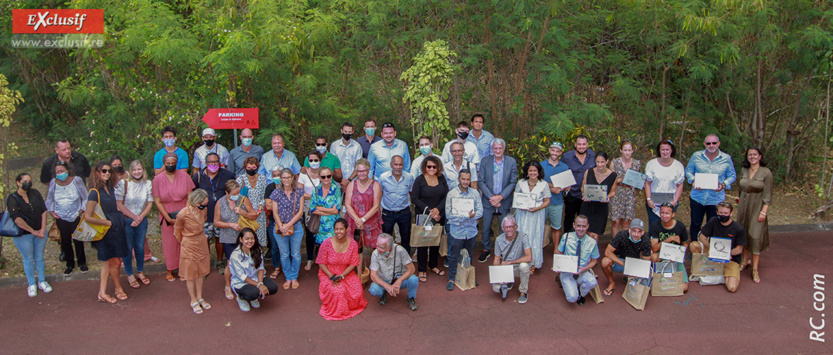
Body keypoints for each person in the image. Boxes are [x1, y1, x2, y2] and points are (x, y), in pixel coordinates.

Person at [86, 161, 129, 303]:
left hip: (116, 229)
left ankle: (105, 292)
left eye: (109, 171)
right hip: (106, 230)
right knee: (112, 261)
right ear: (97, 172)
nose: (107, 173)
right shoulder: (94, 192)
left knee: (113, 261)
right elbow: (88, 216)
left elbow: (125, 177)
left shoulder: (109, 188)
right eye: (104, 171)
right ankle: (113, 289)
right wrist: (107, 223)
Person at [152, 152, 196, 281]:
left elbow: (190, 196)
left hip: (184, 211)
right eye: (168, 163)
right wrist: (167, 218)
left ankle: (183, 269)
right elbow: (157, 201)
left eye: (173, 163)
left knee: (184, 242)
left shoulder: (185, 176)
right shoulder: (157, 179)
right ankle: (169, 269)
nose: (170, 165)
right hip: (166, 213)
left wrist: (183, 214)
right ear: (164, 163)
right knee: (169, 243)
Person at [685, 134, 737, 242]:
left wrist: (723, 185)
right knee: (695, 224)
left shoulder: (726, 158)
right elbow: (688, 171)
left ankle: (712, 250)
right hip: (697, 197)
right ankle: (695, 247)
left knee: (714, 225)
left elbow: (732, 175)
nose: (711, 145)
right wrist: (693, 181)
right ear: (704, 144)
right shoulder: (696, 156)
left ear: (718, 144)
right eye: (708, 143)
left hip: (716, 199)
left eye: (714, 143)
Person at [6, 173, 51, 297]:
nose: (28, 183)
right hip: (23, 235)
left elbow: (43, 210)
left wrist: (42, 228)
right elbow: (17, 219)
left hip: (40, 232)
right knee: (28, 259)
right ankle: (31, 283)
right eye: (25, 181)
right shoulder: (12, 198)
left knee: (39, 257)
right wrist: (33, 231)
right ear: (18, 183)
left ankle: (42, 281)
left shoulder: (35, 193)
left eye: (30, 180)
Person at [192, 153, 235, 274]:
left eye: (216, 162)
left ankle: (220, 261)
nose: (213, 165)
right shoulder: (198, 176)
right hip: (204, 215)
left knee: (220, 239)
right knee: (204, 240)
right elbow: (193, 194)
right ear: (205, 163)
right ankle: (203, 264)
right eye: (211, 162)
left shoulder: (228, 175)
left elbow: (233, 191)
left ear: (220, 162)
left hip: (222, 216)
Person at [316, 218, 367, 320]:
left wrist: (342, 275)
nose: (338, 232)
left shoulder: (353, 244)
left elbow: (353, 264)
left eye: (341, 229)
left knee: (357, 291)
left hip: (346, 272)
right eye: (336, 229)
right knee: (338, 292)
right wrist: (332, 276)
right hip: (328, 273)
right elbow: (321, 263)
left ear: (347, 229)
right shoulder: (326, 244)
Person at [689, 201, 746, 293]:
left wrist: (728, 254)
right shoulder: (713, 221)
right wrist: (711, 248)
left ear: (731, 213)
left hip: (730, 258)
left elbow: (739, 249)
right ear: (717, 212)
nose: (723, 215)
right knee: (693, 245)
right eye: (721, 213)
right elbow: (702, 237)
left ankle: (721, 274)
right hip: (713, 254)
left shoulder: (738, 228)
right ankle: (712, 272)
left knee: (732, 288)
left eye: (726, 213)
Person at [215, 180, 258, 300]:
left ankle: (247, 281)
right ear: (227, 193)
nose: (237, 195)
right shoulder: (220, 202)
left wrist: (244, 213)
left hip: (244, 237)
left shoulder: (244, 199)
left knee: (247, 259)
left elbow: (254, 215)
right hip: (228, 236)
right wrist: (230, 225)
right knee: (230, 262)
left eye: (238, 192)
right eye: (234, 193)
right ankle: (228, 286)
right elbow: (216, 221)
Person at [477, 138, 518, 263]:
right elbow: (481, 181)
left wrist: (500, 197)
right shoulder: (485, 161)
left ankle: (502, 250)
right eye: (495, 148)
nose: (498, 150)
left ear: (504, 149)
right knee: (486, 227)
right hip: (488, 200)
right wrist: (491, 197)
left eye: (500, 148)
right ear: (492, 149)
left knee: (504, 227)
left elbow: (513, 182)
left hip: (504, 200)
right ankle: (486, 249)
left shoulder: (511, 162)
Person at [45, 161, 88, 275]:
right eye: (57, 172)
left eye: (62, 171)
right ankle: (70, 264)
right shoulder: (53, 183)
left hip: (76, 215)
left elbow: (85, 197)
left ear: (67, 171)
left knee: (78, 239)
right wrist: (52, 212)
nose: (60, 173)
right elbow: (49, 199)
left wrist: (81, 210)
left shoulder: (76, 180)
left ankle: (82, 263)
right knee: (65, 241)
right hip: (61, 217)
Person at [115, 160, 154, 287]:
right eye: (134, 170)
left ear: (143, 170)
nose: (137, 172)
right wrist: (133, 217)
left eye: (139, 169)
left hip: (141, 220)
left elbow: (149, 203)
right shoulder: (124, 184)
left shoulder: (148, 183)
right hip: (126, 220)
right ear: (130, 171)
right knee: (127, 247)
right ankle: (129, 274)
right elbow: (118, 204)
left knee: (140, 247)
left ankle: (140, 271)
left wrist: (140, 218)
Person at [174, 189, 213, 314]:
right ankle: (193, 299)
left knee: (201, 271)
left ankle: (200, 297)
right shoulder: (183, 214)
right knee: (190, 273)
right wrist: (185, 243)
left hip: (201, 241)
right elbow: (177, 232)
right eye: (203, 203)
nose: (205, 205)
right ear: (196, 202)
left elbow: (204, 221)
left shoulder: (203, 210)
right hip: (188, 243)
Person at [737, 147, 771, 283]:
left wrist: (764, 211)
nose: (752, 157)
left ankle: (755, 269)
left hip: (757, 206)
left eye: (755, 154)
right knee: (743, 233)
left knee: (755, 235)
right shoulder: (744, 170)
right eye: (750, 155)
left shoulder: (766, 173)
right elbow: (740, 189)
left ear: (760, 156)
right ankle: (744, 261)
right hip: (743, 206)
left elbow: (768, 194)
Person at [411, 155, 449, 281]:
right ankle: (422, 269)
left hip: (439, 215)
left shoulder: (441, 178)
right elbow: (415, 198)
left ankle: (433, 265)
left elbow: (446, 195)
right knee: (423, 241)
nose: (432, 169)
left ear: (438, 167)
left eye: (434, 166)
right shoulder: (419, 180)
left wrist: (438, 210)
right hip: (424, 216)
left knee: (435, 240)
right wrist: (428, 210)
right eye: (429, 166)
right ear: (424, 167)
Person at [445, 169, 483, 291]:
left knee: (469, 255)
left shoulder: (475, 193)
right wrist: (466, 216)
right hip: (457, 231)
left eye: (468, 179)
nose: (466, 182)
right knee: (453, 255)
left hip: (471, 231)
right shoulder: (451, 194)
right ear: (458, 179)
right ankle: (451, 278)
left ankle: (468, 276)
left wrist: (470, 216)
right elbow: (449, 215)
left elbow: (480, 211)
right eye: (463, 179)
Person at [344, 158, 382, 276]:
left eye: (364, 171)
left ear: (368, 170)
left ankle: (376, 273)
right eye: (359, 171)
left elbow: (376, 206)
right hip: (353, 221)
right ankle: (359, 273)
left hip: (370, 221)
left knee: (376, 247)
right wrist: (357, 220)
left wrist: (363, 220)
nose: (362, 173)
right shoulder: (351, 185)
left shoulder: (375, 185)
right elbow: (347, 204)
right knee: (357, 247)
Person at [270, 168, 306, 289]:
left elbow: (300, 211)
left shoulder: (299, 192)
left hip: (295, 227)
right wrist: (281, 226)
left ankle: (294, 276)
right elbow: (274, 212)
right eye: (284, 177)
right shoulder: (276, 193)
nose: (286, 180)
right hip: (280, 228)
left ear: (293, 178)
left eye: (288, 177)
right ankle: (288, 277)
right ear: (281, 178)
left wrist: (288, 225)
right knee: (284, 254)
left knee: (295, 254)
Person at [514, 161, 551, 274]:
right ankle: (520, 261)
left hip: (536, 215)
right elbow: (516, 197)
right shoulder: (521, 183)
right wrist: (520, 205)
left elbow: (547, 201)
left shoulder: (544, 184)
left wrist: (538, 208)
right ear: (527, 171)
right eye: (530, 170)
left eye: (535, 170)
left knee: (535, 238)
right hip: (523, 215)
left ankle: (533, 263)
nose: (532, 173)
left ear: (539, 172)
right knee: (521, 236)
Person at [230, 228, 279, 312]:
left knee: (273, 288)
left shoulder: (257, 250)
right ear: (241, 239)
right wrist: (259, 285)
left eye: (252, 238)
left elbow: (260, 268)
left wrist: (260, 283)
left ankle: (255, 295)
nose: (250, 241)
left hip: (256, 278)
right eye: (247, 239)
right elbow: (242, 277)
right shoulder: (235, 255)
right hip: (241, 282)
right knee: (253, 293)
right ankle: (241, 298)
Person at [600, 219, 652, 296]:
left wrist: (640, 271)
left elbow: (646, 260)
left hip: (634, 263)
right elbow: (607, 252)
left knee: (648, 270)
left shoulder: (646, 241)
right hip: (619, 261)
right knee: (605, 262)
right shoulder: (621, 235)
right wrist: (624, 264)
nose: (636, 234)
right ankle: (612, 282)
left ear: (643, 232)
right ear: (629, 230)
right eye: (634, 231)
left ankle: (631, 278)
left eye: (639, 232)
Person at [369, 233, 419, 311]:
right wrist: (386, 286)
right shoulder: (375, 254)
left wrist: (399, 280)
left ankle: (411, 298)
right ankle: (383, 293)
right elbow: (373, 275)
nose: (378, 249)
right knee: (374, 289)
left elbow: (411, 269)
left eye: (382, 247)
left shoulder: (400, 250)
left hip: (399, 278)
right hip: (384, 279)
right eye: (377, 245)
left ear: (390, 247)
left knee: (414, 279)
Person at [557, 215, 599, 305]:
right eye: (578, 225)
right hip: (567, 271)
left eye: (584, 226)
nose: (581, 229)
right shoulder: (566, 237)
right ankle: (562, 279)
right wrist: (558, 265)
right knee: (572, 298)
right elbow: (559, 253)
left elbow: (594, 261)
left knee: (592, 282)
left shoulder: (592, 242)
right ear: (574, 225)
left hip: (582, 271)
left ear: (587, 226)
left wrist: (583, 269)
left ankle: (581, 293)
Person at [644, 139, 686, 231]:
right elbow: (647, 183)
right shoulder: (651, 164)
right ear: (659, 150)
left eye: (667, 149)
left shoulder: (678, 166)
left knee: (668, 226)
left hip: (671, 200)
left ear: (672, 150)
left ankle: (667, 245)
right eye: (663, 149)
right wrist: (648, 199)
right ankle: (654, 244)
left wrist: (675, 201)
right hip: (653, 202)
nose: (665, 152)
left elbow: (680, 185)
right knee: (654, 226)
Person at [648, 203, 690, 293]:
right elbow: (655, 248)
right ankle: (656, 278)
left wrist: (680, 255)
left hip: (675, 256)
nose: (664, 216)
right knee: (653, 257)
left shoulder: (680, 226)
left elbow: (685, 243)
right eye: (662, 213)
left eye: (667, 213)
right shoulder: (655, 226)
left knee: (684, 287)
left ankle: (665, 286)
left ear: (673, 214)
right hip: (661, 254)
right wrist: (670, 239)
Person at [378, 155, 415, 253]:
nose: (398, 167)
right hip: (388, 213)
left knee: (406, 237)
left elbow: (410, 192)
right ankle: (385, 258)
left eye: (400, 165)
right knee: (385, 238)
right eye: (395, 164)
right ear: (391, 165)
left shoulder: (409, 177)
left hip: (404, 212)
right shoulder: (383, 177)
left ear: (403, 165)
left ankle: (405, 260)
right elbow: (379, 192)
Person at [491, 217, 532, 303]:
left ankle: (523, 291)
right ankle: (508, 281)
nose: (508, 229)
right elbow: (496, 259)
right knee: (496, 288)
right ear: (502, 228)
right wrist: (498, 275)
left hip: (517, 267)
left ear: (516, 227)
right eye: (506, 227)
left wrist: (511, 262)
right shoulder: (499, 239)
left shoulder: (523, 236)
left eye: (511, 226)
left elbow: (529, 257)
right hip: (506, 269)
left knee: (524, 266)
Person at [579, 151, 617, 240]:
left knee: (595, 235)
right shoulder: (589, 172)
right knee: (586, 232)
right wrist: (584, 194)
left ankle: (592, 252)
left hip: (601, 207)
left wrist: (608, 197)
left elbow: (613, 192)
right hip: (587, 206)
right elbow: (583, 187)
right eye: (597, 162)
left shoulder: (613, 176)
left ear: (607, 161)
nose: (599, 164)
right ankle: (585, 253)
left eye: (602, 162)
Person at [562, 135, 596, 233]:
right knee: (569, 218)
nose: (581, 146)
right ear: (575, 145)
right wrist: (564, 185)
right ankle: (568, 241)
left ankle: (583, 243)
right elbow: (561, 171)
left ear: (587, 144)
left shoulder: (592, 155)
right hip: (572, 193)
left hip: (586, 194)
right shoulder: (567, 157)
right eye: (579, 144)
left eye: (584, 144)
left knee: (585, 220)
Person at [541, 142, 570, 253]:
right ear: (549, 150)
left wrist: (567, 188)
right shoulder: (541, 165)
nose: (555, 153)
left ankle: (556, 249)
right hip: (542, 202)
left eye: (557, 151)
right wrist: (552, 187)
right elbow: (537, 182)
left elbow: (567, 185)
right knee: (540, 227)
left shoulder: (564, 167)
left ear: (561, 152)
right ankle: (538, 248)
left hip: (557, 202)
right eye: (553, 150)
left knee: (556, 227)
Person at [609, 140, 641, 237]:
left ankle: (624, 244)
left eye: (629, 150)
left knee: (626, 222)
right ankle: (615, 244)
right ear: (621, 150)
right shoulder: (615, 163)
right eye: (625, 150)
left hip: (629, 194)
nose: (627, 152)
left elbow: (638, 180)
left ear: (632, 151)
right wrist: (621, 179)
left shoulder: (636, 163)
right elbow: (610, 181)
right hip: (617, 193)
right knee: (616, 222)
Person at [235, 157, 269, 246]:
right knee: (247, 239)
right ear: (245, 168)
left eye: (253, 168)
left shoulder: (262, 179)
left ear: (257, 167)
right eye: (249, 168)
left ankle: (259, 258)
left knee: (259, 240)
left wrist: (260, 208)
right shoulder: (240, 180)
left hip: (259, 214)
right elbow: (236, 196)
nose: (251, 170)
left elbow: (265, 195)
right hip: (245, 214)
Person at [299, 151, 322, 271]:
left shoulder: (324, 173)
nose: (313, 162)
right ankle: (309, 259)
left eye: (316, 160)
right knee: (310, 234)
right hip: (308, 209)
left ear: (320, 160)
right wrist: (316, 196)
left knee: (323, 232)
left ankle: (322, 258)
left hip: (323, 208)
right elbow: (300, 193)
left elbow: (329, 188)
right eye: (311, 160)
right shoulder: (303, 174)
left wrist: (311, 195)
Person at [310, 167, 344, 251]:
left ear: (331, 177)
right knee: (321, 252)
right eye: (323, 177)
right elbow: (312, 209)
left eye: (328, 176)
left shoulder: (336, 190)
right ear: (319, 177)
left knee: (333, 250)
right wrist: (329, 211)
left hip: (333, 226)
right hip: (319, 226)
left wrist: (320, 208)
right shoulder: (316, 190)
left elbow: (337, 210)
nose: (326, 179)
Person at [331, 122, 364, 189]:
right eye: (345, 131)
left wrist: (348, 180)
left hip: (353, 182)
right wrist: (341, 181)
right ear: (341, 131)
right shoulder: (334, 146)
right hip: (337, 183)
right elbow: (333, 164)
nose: (347, 134)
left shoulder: (357, 146)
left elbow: (358, 165)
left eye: (349, 132)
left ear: (352, 132)